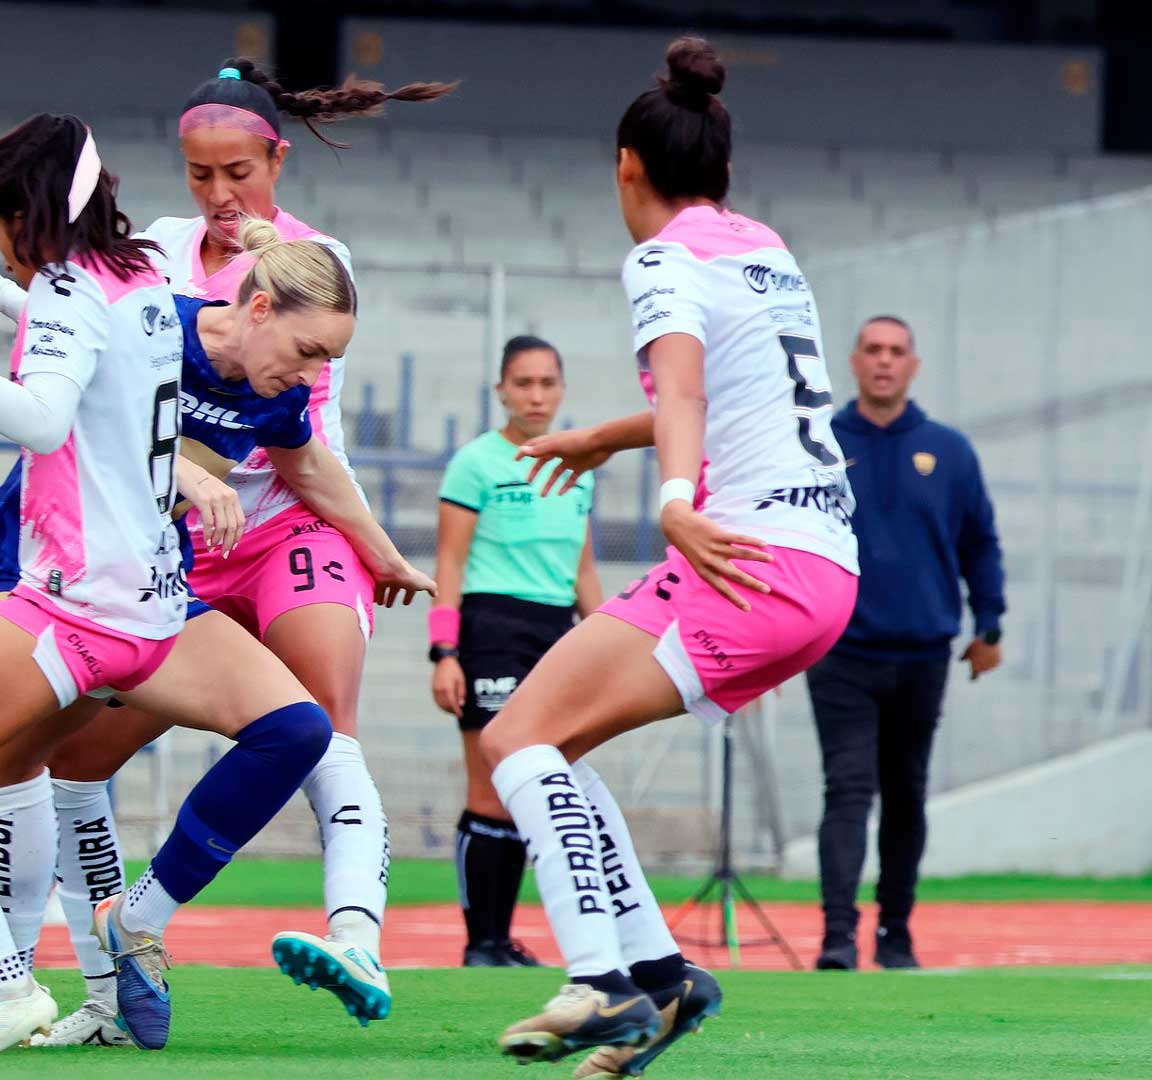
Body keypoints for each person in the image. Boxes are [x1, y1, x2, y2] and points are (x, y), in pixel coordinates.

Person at [0, 59, 455, 1034]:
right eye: (200, 173)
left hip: (291, 518)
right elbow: (100, 340)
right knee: (64, 758)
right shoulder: (157, 252)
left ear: (276, 161)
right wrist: (0, 290)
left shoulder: (312, 265)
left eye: (237, 173)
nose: (219, 194)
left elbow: (300, 446)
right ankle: (106, 975)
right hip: (174, 536)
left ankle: (355, 936)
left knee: (319, 723)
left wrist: (375, 544)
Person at [0, 113, 341, 1057]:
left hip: (74, 604)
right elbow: (95, 346)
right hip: (158, 607)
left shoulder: (71, 283)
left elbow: (40, 418)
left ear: (29, 213)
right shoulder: (139, 277)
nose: (0, 246)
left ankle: (1, 985)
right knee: (286, 730)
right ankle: (124, 930)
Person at [480, 37, 859, 1076]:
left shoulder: (661, 257)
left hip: (744, 556)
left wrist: (676, 499)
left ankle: (601, 981)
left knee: (514, 739)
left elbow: (686, 388)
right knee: (548, 746)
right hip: (822, 561)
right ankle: (661, 974)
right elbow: (743, 399)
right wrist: (607, 436)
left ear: (626, 166)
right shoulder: (765, 247)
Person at [809, 314, 1005, 972]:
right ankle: (838, 937)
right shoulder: (820, 443)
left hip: (923, 654)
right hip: (838, 649)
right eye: (873, 350)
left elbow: (980, 543)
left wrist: (991, 623)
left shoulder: (949, 451)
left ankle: (896, 933)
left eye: (897, 351)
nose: (885, 361)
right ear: (854, 361)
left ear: (913, 365)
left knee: (905, 794)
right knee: (847, 789)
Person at [429, 335, 601, 968]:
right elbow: (449, 562)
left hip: (556, 633)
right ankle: (484, 944)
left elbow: (583, 568)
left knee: (535, 786)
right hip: (492, 627)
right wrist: (444, 651)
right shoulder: (475, 464)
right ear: (501, 389)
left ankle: (500, 941)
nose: (535, 396)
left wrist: (605, 639)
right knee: (491, 789)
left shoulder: (578, 466)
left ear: (562, 390)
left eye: (547, 383)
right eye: (523, 383)